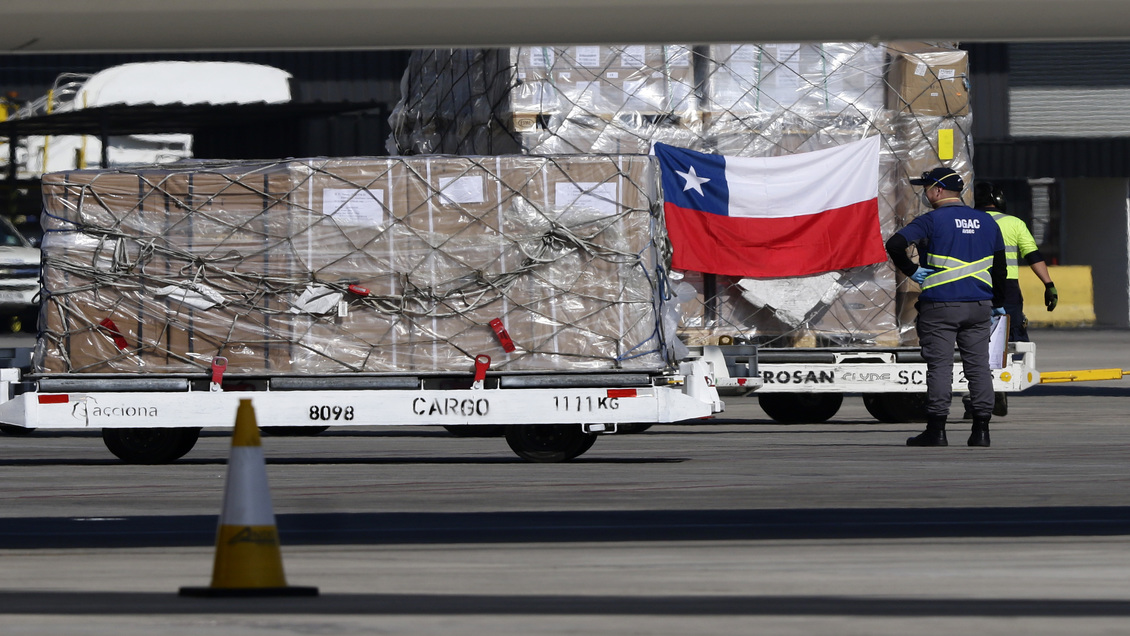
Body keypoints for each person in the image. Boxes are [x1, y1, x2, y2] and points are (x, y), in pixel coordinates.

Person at [886, 167, 1007, 447]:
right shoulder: (988, 222)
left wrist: (910, 270)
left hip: (941, 306)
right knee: (977, 367)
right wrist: (998, 304)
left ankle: (937, 430)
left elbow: (894, 244)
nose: (925, 193)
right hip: (978, 306)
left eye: (926, 188)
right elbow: (1000, 269)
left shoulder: (931, 220)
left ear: (938, 190)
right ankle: (981, 431)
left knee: (940, 367)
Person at [973, 181, 1058, 342]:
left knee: (975, 335)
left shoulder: (968, 222)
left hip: (973, 284)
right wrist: (1049, 285)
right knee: (1012, 336)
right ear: (997, 199)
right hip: (1007, 287)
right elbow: (1033, 256)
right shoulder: (1014, 223)